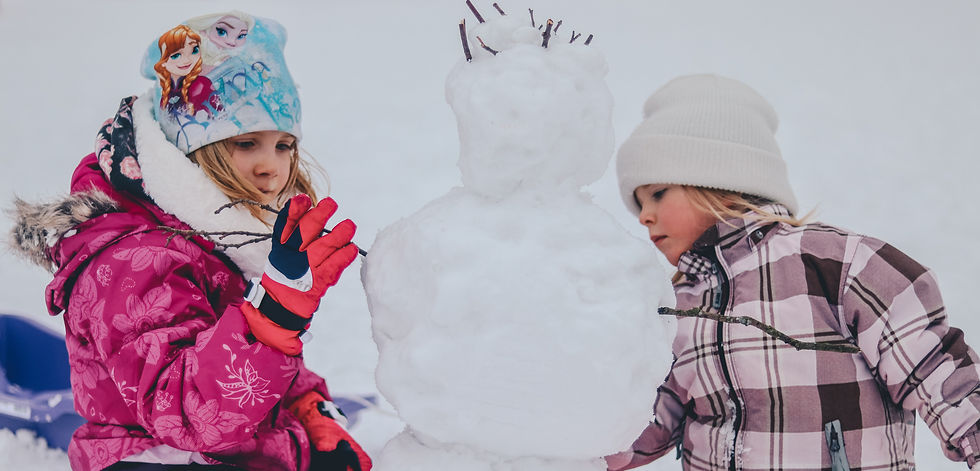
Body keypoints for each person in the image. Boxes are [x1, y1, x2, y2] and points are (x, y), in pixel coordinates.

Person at [9, 11, 371, 471]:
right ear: (187, 149)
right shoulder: (132, 259)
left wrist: (308, 407)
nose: (271, 168)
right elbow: (186, 414)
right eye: (245, 143)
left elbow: (232, 349)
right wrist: (273, 319)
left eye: (283, 145)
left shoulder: (213, 239)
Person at [606, 74, 980, 470]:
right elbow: (641, 428)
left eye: (658, 193)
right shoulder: (677, 307)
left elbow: (936, 371)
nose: (644, 216)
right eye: (638, 203)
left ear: (715, 180)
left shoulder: (836, 264)